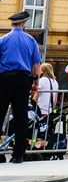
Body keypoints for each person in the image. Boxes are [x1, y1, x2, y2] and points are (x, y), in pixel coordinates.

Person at [0, 10, 41, 163]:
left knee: (0, 114)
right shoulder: (31, 41)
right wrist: (36, 82)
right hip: (23, 79)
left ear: (12, 24)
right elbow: (36, 64)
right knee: (21, 116)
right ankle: (18, 155)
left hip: (4, 79)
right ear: (24, 23)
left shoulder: (3, 40)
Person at [34, 63, 58, 152]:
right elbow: (55, 99)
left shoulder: (42, 80)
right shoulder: (55, 82)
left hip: (41, 109)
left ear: (43, 70)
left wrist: (31, 103)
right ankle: (44, 151)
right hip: (49, 110)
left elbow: (37, 95)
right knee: (45, 133)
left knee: (37, 133)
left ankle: (37, 150)